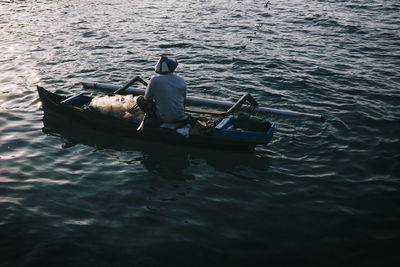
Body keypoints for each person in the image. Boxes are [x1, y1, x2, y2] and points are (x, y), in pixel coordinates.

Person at [137, 56, 188, 124]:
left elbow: (147, 99)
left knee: (140, 99)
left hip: (164, 118)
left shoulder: (155, 80)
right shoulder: (181, 80)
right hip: (180, 116)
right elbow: (184, 100)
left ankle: (154, 120)